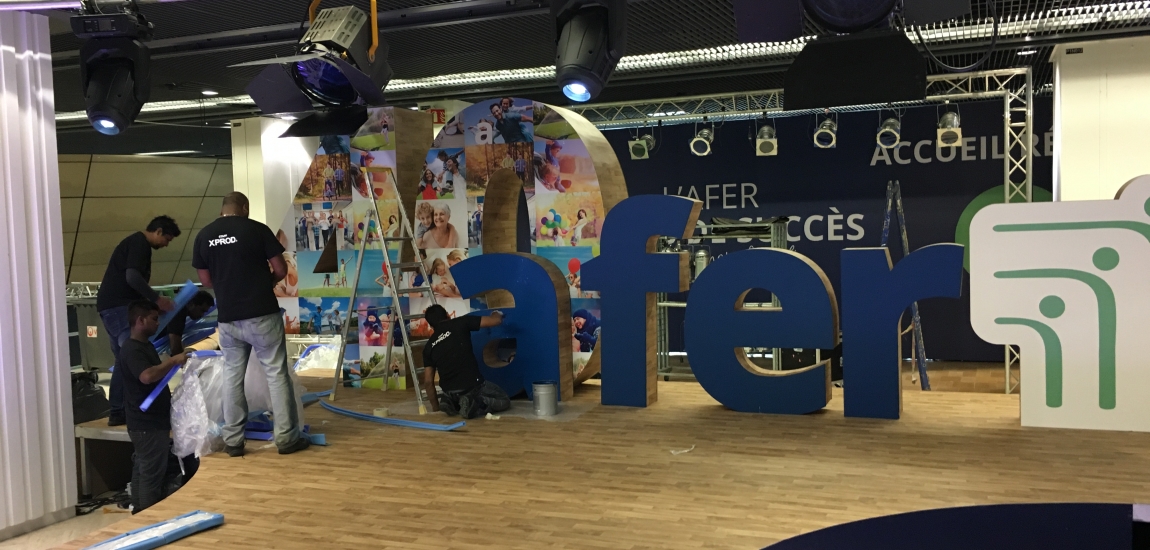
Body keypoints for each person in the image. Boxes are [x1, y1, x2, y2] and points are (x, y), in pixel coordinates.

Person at [192, 192, 309, 456]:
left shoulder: (204, 235)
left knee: (233, 375)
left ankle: (233, 441)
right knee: (276, 374)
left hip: (228, 318)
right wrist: (265, 282)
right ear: (244, 208)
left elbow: (206, 280)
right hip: (261, 313)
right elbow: (281, 269)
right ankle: (286, 438)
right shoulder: (257, 229)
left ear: (223, 209)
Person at [97, 216, 180, 426]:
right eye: (167, 239)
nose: (166, 244)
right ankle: (122, 409)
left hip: (110, 307)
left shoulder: (134, 243)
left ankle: (119, 410)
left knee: (122, 359)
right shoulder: (139, 244)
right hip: (119, 307)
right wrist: (157, 300)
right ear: (158, 231)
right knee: (131, 354)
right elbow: (132, 277)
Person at [119, 300, 191, 514]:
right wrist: (173, 361)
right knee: (151, 472)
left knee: (143, 468)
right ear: (140, 320)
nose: (158, 323)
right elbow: (147, 376)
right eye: (154, 319)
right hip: (146, 423)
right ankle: (148, 517)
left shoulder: (144, 346)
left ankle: (139, 511)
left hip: (149, 421)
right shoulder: (132, 349)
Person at [421, 305, 510, 419]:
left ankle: (450, 402)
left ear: (431, 326)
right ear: (448, 315)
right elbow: (495, 321)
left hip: (449, 390)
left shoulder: (428, 347)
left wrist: (436, 408)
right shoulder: (461, 322)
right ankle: (477, 403)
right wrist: (496, 313)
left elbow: (428, 382)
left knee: (456, 395)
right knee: (503, 400)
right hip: (472, 386)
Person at [165, 291, 216, 356]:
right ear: (191, 304)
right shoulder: (178, 314)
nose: (202, 315)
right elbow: (175, 347)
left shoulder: (179, 309)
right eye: (202, 310)